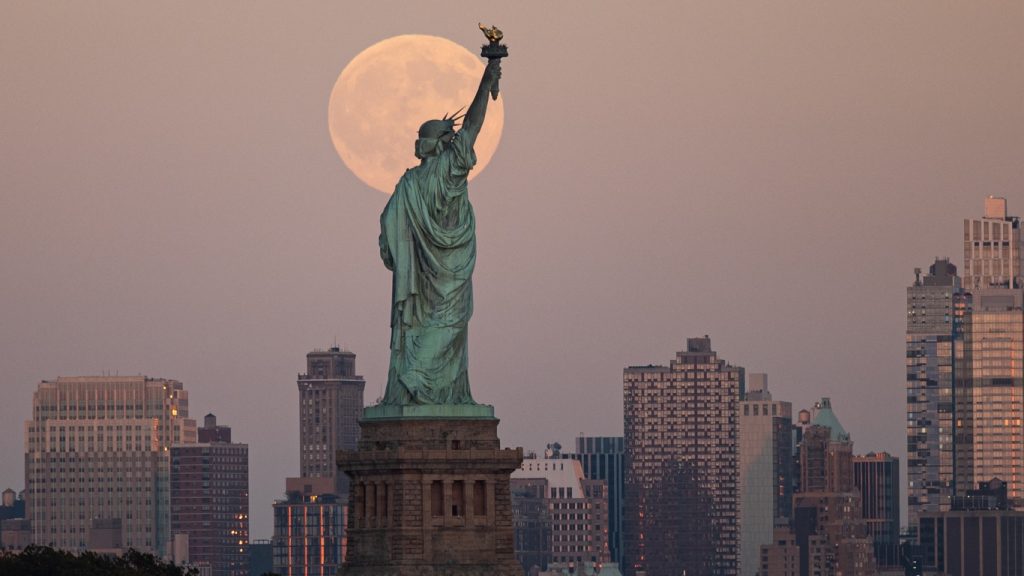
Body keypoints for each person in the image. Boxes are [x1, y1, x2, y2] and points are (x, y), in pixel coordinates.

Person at [378, 58, 502, 405]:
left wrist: (400, 255)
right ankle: (436, 392)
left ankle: (417, 388)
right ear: (441, 144)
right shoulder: (451, 168)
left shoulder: (408, 184)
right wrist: (487, 78)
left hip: (419, 278)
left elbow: (387, 230)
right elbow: (474, 124)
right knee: (450, 330)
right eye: (449, 138)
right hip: (453, 271)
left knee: (422, 330)